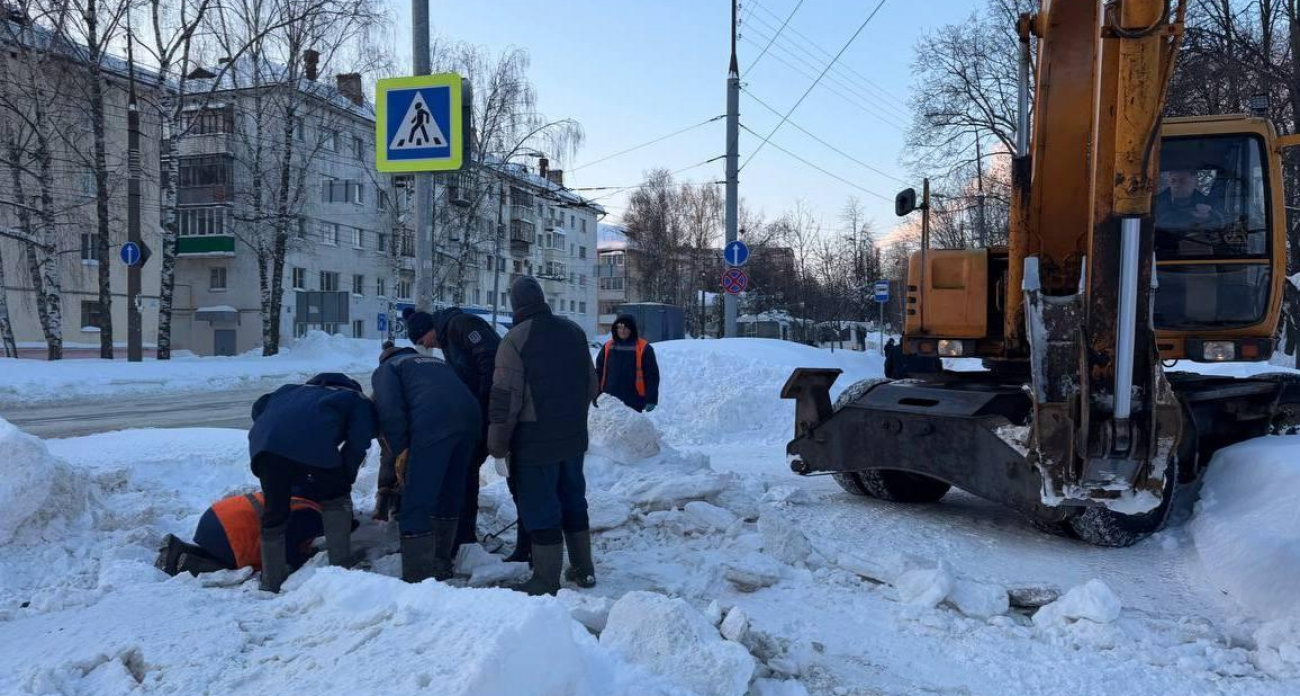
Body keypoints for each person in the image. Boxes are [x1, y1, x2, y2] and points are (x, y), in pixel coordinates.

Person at [488, 276, 599, 596]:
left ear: (515, 305)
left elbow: (504, 400)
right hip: (574, 437)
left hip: (535, 442)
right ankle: (583, 568)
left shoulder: (515, 340)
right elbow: (592, 384)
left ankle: (545, 580)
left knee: (542, 506)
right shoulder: (574, 332)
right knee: (574, 500)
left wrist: (497, 444)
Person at [248, 373, 376, 592]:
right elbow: (359, 441)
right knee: (336, 498)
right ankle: (341, 565)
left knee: (275, 510)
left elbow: (258, 408)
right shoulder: (355, 398)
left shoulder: (288, 389)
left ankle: (272, 579)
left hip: (265, 446)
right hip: (315, 443)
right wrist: (345, 476)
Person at [372, 338, 482, 583]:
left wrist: (401, 450)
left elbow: (390, 410)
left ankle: (418, 575)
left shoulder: (388, 369)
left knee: (417, 498)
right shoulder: (436, 362)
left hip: (434, 424)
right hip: (470, 421)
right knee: (449, 491)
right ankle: (441, 561)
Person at [403, 305, 503, 553]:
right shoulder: (447, 337)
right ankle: (462, 533)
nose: (427, 346)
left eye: (422, 340)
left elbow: (490, 360)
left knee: (466, 470)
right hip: (474, 413)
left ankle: (464, 536)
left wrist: (482, 404)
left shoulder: (462, 325)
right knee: (464, 471)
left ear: (428, 330)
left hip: (486, 411)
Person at [156, 488, 326, 577]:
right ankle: (190, 564)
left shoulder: (294, 495)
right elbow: (285, 548)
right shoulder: (311, 514)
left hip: (213, 517)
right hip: (229, 532)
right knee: (234, 566)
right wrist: (302, 560)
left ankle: (180, 548)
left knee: (219, 551)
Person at [595, 314, 660, 413]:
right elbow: (599, 372)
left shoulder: (644, 348)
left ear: (632, 329)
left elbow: (652, 375)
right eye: (620, 327)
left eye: (626, 328)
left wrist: (651, 399)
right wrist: (596, 394)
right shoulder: (608, 346)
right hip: (609, 401)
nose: (622, 331)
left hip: (633, 401)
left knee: (630, 428)